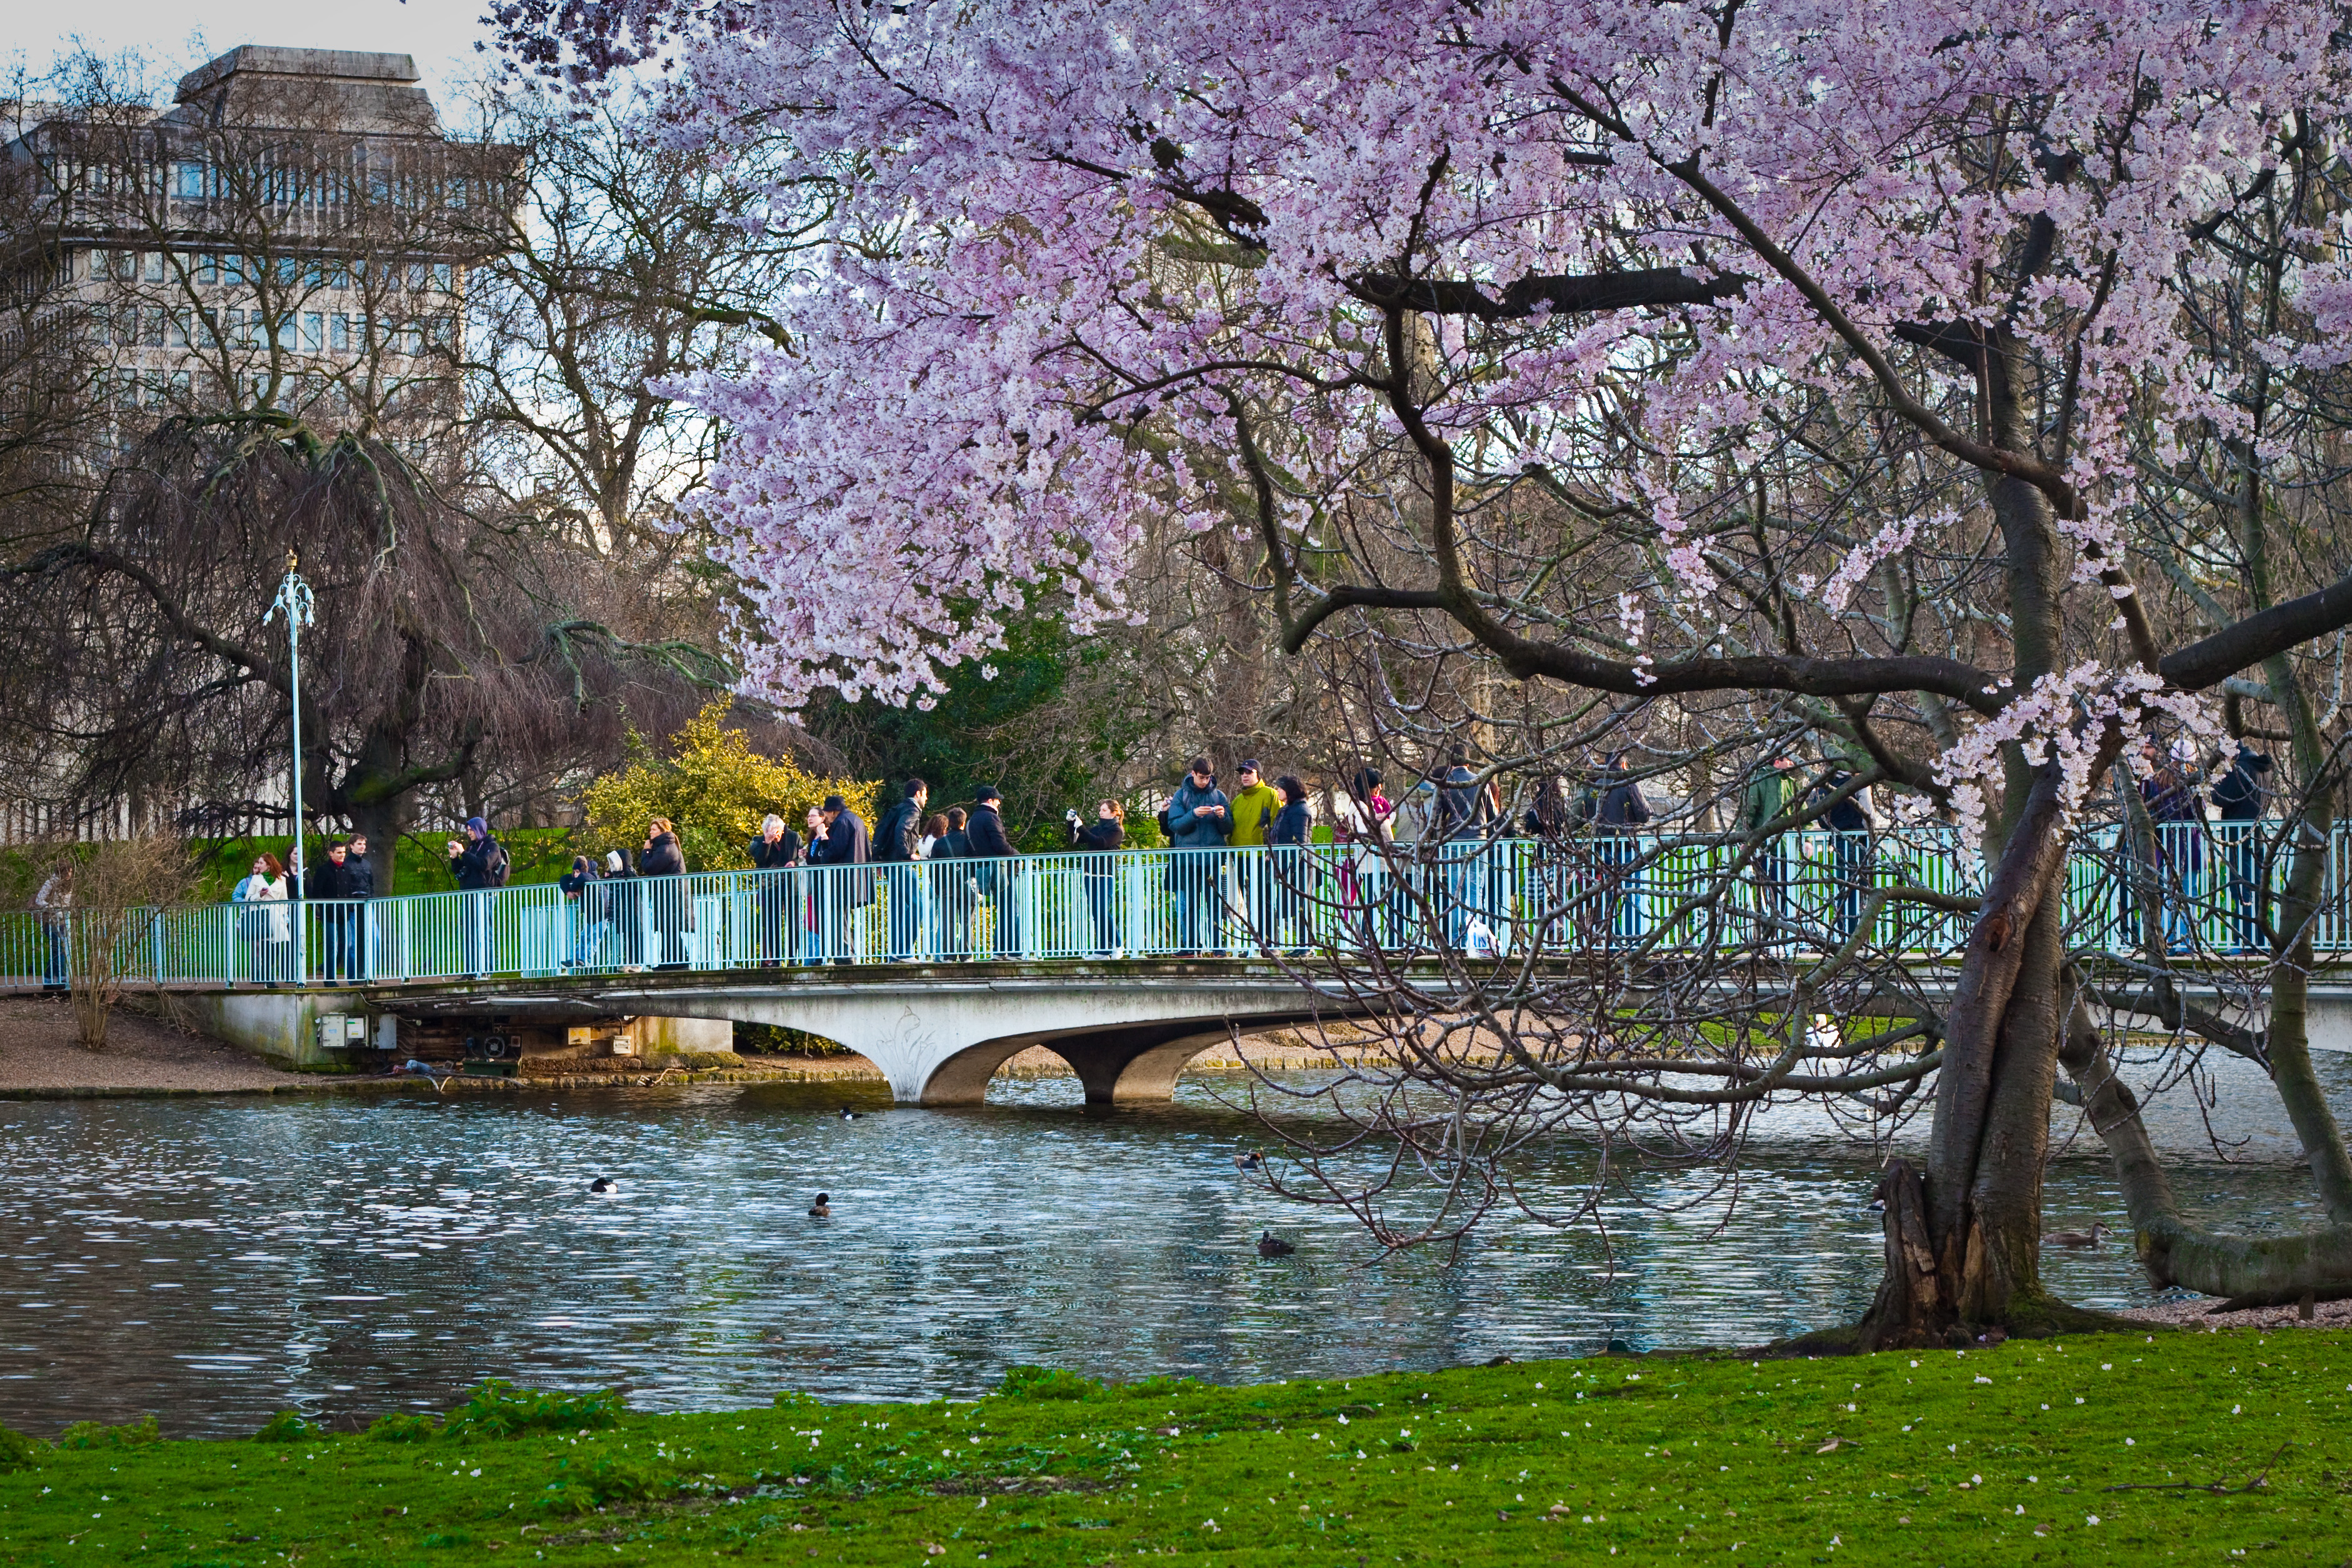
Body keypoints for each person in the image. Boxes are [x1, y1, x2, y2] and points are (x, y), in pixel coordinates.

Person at [1161, 757, 1231, 955]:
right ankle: (1191, 946)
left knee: (1216, 904)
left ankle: (1218, 947)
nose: (1205, 781)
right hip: (1189, 861)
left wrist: (1222, 816)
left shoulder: (1219, 796)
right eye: (1202, 778)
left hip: (1213, 861)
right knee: (1191, 905)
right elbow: (1174, 826)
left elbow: (1228, 827)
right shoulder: (1181, 796)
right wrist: (1194, 814)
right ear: (1193, 774)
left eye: (1208, 778)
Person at [2212, 740, 2273, 953]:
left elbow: (2220, 797)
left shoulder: (2242, 768)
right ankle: (2259, 941)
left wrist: (2219, 776)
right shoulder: (2263, 769)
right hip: (2256, 835)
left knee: (2242, 889)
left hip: (2239, 836)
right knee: (2256, 889)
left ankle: (2245, 943)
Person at [1588, 752, 1652, 943]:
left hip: (1602, 850)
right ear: (1624, 765)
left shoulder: (1596, 785)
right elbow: (1643, 814)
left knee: (1610, 899)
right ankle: (1633, 942)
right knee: (1632, 895)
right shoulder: (1628, 782)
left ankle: (1613, 941)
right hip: (1627, 848)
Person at [1812, 769, 1878, 944]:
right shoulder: (1860, 781)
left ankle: (1843, 933)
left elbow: (1819, 815)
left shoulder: (1824, 784)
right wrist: (1872, 835)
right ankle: (1859, 937)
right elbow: (1868, 812)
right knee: (1862, 888)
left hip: (1837, 839)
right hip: (1859, 839)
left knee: (1843, 888)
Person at [1738, 753, 1798, 943]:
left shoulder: (1792, 783)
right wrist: (1744, 839)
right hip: (1766, 849)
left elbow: (1802, 812)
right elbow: (1748, 812)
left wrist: (1808, 841)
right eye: (1788, 759)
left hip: (1787, 849)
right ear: (1777, 761)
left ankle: (1784, 935)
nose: (1791, 763)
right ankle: (1771, 935)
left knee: (1787, 892)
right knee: (1769, 893)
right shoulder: (1760, 781)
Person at [1225, 759, 1281, 949]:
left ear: (1258, 774)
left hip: (1260, 857)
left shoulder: (1271, 795)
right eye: (1242, 772)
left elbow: (1277, 825)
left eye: (1249, 772)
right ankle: (1255, 944)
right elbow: (1232, 829)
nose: (1245, 775)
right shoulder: (1237, 801)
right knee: (1249, 902)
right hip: (1240, 857)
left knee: (1264, 900)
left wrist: (1271, 851)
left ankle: (1270, 943)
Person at [873, 779, 930, 961]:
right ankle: (904, 950)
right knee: (918, 905)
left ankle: (896, 953)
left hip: (890, 863)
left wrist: (879, 859)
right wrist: (908, 854)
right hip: (901, 864)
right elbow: (901, 830)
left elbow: (884, 833)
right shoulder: (913, 810)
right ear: (918, 794)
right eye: (926, 794)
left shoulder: (898, 808)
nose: (927, 799)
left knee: (899, 909)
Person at [445, 816, 508, 978]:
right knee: (469, 933)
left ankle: (486, 969)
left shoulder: (492, 847)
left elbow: (483, 864)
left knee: (484, 932)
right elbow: (459, 869)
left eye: (471, 829)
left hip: (484, 895)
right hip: (468, 894)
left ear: (480, 829)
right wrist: (455, 857)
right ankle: (470, 970)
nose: (469, 832)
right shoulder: (473, 848)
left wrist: (464, 852)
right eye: (467, 830)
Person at [966, 785, 1020, 956]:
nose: (999, 803)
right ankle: (1013, 951)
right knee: (1011, 909)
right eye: (997, 800)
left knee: (1002, 909)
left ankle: (1000, 950)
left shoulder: (971, 821)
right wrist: (1018, 855)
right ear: (990, 801)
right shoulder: (991, 818)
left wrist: (973, 874)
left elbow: (969, 851)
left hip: (985, 872)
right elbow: (1000, 845)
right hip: (1002, 871)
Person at [817, 794, 871, 961]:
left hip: (842, 879)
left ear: (833, 811)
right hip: (856, 877)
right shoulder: (857, 820)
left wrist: (823, 846)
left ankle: (846, 954)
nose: (826, 817)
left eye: (826, 813)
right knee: (843, 916)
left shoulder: (841, 822)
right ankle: (847, 952)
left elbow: (836, 850)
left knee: (838, 917)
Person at [1069, 799, 1125, 956]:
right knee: (1095, 912)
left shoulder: (1116, 830)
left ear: (1114, 813)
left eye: (1104, 810)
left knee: (1101, 910)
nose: (1101, 812)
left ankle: (1117, 944)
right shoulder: (1097, 828)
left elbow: (1100, 843)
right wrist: (1072, 823)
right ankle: (1103, 949)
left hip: (1105, 874)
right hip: (1090, 873)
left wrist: (1081, 827)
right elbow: (1078, 839)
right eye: (1100, 810)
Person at [1265, 776, 1314, 952]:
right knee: (1293, 903)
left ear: (1290, 790)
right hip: (1287, 864)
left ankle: (1305, 945)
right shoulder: (1287, 809)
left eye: (1281, 788)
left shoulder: (1300, 810)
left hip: (1298, 866)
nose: (1277, 791)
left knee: (1301, 904)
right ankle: (1302, 944)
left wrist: (1288, 865)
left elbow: (1300, 841)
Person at [748, 813, 801, 966]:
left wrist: (794, 863)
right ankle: (776, 958)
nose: (774, 836)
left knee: (794, 922)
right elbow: (760, 860)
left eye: (775, 833)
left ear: (781, 830)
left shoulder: (793, 837)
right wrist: (767, 842)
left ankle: (793, 958)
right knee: (772, 923)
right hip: (770, 887)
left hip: (791, 886)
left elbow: (800, 857)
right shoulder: (759, 841)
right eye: (769, 833)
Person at [232, 852, 291, 984]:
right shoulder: (256, 879)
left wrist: (284, 916)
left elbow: (284, 900)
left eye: (261, 863)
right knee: (265, 948)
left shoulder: (282, 880)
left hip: (276, 918)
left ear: (269, 865)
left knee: (275, 948)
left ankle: (266, 972)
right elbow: (248, 898)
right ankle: (269, 978)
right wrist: (259, 895)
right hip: (262, 919)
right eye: (258, 863)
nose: (258, 866)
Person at [639, 817, 691, 969]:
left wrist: (646, 850)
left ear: (663, 831)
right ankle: (671, 961)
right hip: (668, 894)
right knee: (667, 928)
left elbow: (649, 867)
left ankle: (678, 961)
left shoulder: (666, 848)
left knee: (670, 927)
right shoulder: (665, 846)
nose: (651, 832)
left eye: (654, 829)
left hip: (671, 895)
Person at [304, 839, 356, 980]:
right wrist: (324, 909)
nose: (342, 855)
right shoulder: (323, 870)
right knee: (331, 945)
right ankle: (330, 978)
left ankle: (327, 967)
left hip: (344, 912)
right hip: (330, 913)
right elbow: (317, 892)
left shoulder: (347, 869)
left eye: (344, 853)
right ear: (331, 854)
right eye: (339, 853)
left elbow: (350, 890)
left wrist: (350, 906)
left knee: (347, 943)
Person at [931, 806, 976, 958]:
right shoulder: (970, 842)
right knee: (966, 922)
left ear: (949, 823)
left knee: (947, 924)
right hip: (966, 888)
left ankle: (949, 956)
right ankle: (966, 954)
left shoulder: (939, 844)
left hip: (946, 889)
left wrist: (937, 889)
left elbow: (933, 870)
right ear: (963, 823)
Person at [559, 854, 606, 969]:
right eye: (574, 872)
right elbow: (564, 879)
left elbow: (584, 877)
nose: (575, 875)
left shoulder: (592, 877)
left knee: (594, 938)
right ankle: (576, 959)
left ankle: (585, 960)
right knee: (584, 936)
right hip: (591, 915)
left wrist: (574, 888)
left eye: (577, 872)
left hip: (602, 914)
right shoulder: (581, 876)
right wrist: (568, 892)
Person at [33, 859, 71, 992]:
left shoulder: (67, 884)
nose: (71, 875)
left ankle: (49, 979)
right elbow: (39, 900)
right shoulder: (51, 883)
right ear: (64, 871)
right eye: (69, 872)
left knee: (57, 949)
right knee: (59, 948)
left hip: (62, 920)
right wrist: (52, 908)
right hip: (50, 920)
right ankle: (61, 978)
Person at [343, 834, 376, 979]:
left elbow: (371, 885)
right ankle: (354, 976)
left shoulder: (367, 864)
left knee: (375, 939)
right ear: (351, 846)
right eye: (359, 844)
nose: (363, 846)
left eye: (364, 844)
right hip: (352, 909)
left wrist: (372, 900)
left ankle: (372, 973)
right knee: (353, 943)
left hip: (368, 907)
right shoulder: (346, 864)